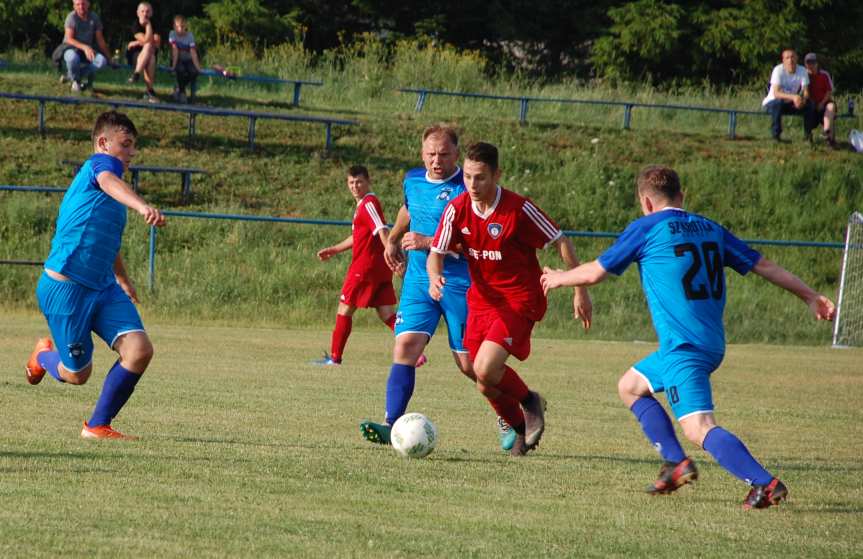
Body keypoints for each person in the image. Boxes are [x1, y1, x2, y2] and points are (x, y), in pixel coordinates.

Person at [540, 165, 835, 507]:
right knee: (630, 386)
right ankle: (675, 464)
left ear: (645, 203)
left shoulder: (647, 227)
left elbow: (596, 272)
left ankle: (765, 483)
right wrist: (810, 295)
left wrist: (560, 278)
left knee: (699, 427)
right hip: (708, 343)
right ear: (682, 197)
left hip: (685, 349)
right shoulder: (710, 228)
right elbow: (764, 266)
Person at [428, 142, 592, 456]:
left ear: (497, 175)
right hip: (481, 302)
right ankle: (520, 430)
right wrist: (435, 277)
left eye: (481, 178)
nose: (473, 185)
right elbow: (436, 253)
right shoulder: (457, 209)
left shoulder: (519, 209)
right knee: (483, 381)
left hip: (520, 299)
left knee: (487, 368)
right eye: (468, 177)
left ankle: (530, 401)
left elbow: (560, 241)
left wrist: (578, 287)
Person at [359, 125, 515, 451]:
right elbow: (408, 208)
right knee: (405, 347)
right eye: (430, 154)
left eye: (444, 154)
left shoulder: (469, 189)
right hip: (418, 279)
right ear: (421, 154)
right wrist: (392, 241)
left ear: (457, 154)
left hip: (460, 281)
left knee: (471, 365)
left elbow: (477, 241)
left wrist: (429, 241)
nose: (436, 161)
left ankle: (511, 414)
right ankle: (391, 424)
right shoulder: (413, 179)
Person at [24, 110, 167, 440]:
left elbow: (106, 242)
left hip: (103, 286)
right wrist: (142, 206)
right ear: (103, 143)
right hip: (67, 287)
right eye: (125, 144)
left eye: (134, 146)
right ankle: (43, 356)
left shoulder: (114, 196)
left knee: (140, 350)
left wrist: (123, 278)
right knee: (77, 375)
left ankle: (97, 426)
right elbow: (107, 179)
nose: (131, 153)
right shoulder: (99, 168)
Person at [314, 166, 397, 365]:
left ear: (368, 181)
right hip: (378, 269)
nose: (355, 186)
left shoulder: (369, 203)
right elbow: (359, 236)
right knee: (387, 314)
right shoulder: (364, 204)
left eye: (359, 182)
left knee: (344, 310)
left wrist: (391, 254)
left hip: (365, 268)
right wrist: (334, 249)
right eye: (351, 182)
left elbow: (382, 230)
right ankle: (415, 350)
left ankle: (334, 358)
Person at [53, 0, 110, 94]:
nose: (81, 7)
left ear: (88, 4)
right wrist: (85, 47)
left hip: (88, 50)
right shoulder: (71, 17)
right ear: (74, 6)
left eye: (83, 4)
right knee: (72, 58)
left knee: (102, 61)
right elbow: (69, 39)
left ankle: (71, 77)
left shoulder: (94, 18)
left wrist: (109, 58)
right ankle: (76, 81)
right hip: (70, 48)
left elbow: (100, 40)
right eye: (78, 4)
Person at [761, 49, 816, 142]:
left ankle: (808, 136)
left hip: (791, 103)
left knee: (810, 105)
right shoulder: (778, 70)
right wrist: (794, 97)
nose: (790, 60)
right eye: (787, 58)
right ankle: (776, 136)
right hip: (773, 102)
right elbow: (776, 93)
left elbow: (806, 92)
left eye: (792, 57)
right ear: (783, 60)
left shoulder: (802, 70)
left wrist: (803, 100)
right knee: (778, 103)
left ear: (797, 58)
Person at [126, 2, 161, 103]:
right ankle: (150, 91)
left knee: (150, 55)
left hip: (150, 53)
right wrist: (147, 41)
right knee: (150, 53)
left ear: (151, 13)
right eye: (142, 11)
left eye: (147, 11)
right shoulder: (135, 24)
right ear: (138, 13)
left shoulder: (155, 23)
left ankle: (136, 74)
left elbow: (157, 44)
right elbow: (148, 41)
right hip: (134, 54)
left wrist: (148, 24)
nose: (145, 14)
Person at [803, 52, 838, 149]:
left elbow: (829, 91)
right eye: (808, 62)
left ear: (817, 63)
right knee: (808, 110)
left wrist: (822, 103)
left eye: (813, 62)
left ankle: (828, 134)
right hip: (811, 103)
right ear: (805, 64)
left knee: (830, 107)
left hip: (824, 101)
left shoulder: (824, 74)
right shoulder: (803, 75)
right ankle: (808, 138)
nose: (811, 65)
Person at [169, 15, 203, 104]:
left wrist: (198, 67)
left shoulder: (190, 36)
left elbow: (193, 52)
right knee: (180, 70)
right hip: (177, 59)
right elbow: (175, 50)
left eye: (182, 26)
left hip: (188, 59)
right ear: (174, 26)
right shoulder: (172, 34)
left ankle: (179, 89)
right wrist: (173, 66)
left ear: (186, 26)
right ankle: (182, 92)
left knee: (194, 72)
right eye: (177, 27)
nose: (180, 29)